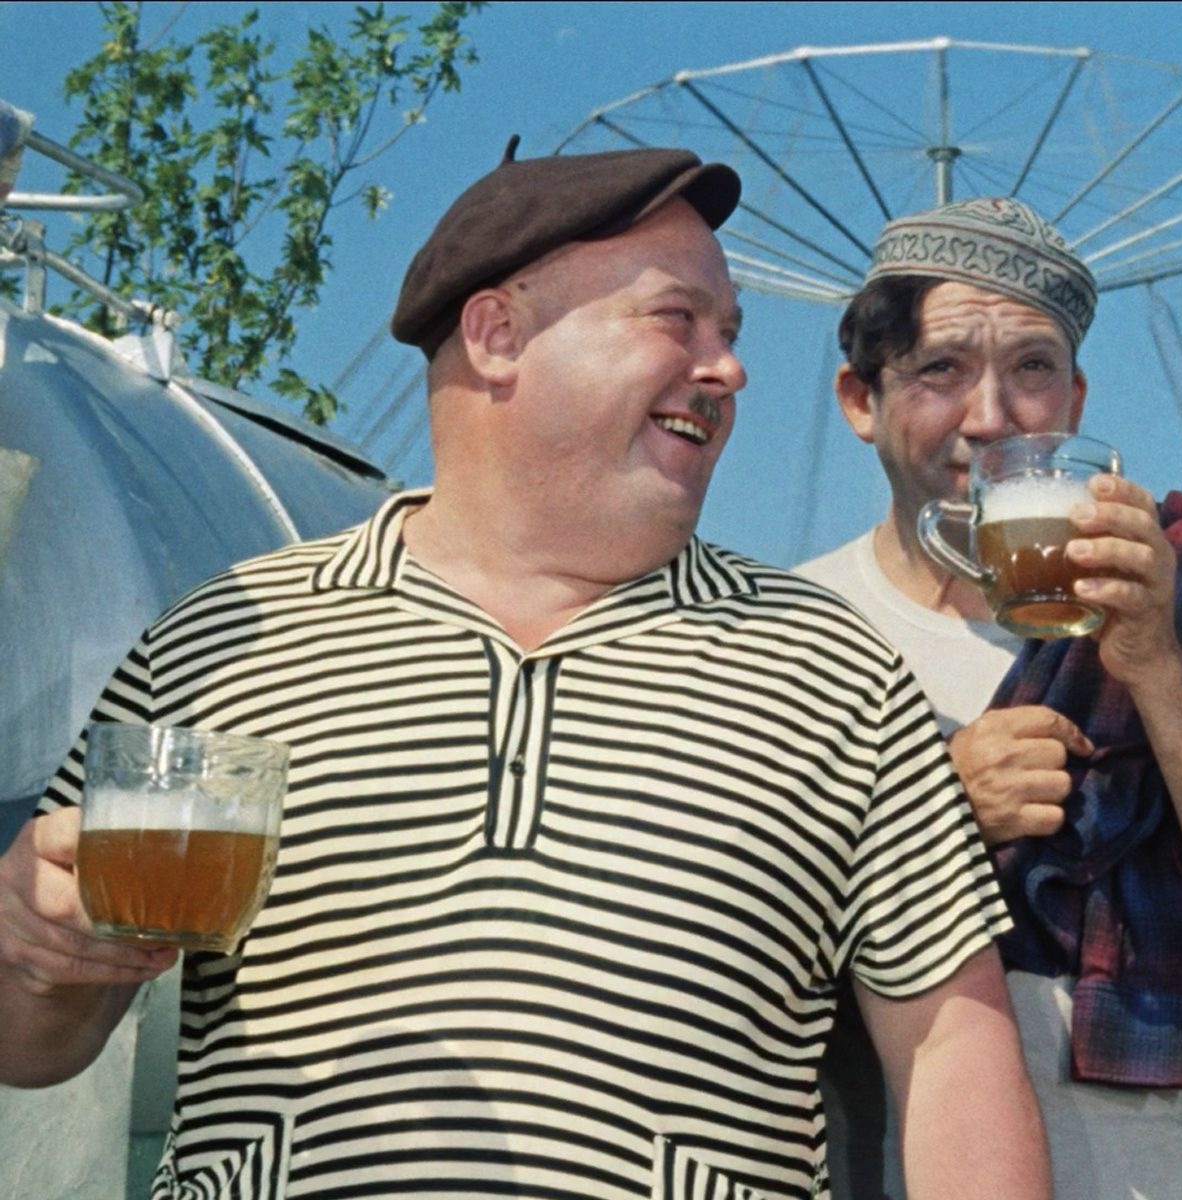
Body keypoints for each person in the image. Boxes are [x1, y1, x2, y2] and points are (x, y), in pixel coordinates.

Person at [0, 145, 1050, 1200]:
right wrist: (35, 950)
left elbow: (953, 1049)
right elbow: (33, 1048)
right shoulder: (226, 639)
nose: (728, 369)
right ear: (498, 335)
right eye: (677, 319)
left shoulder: (830, 666)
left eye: (728, 334)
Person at [795, 196, 1182, 1198]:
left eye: (1032, 368)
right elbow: (701, 952)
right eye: (941, 369)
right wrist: (930, 810)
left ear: (1075, 402)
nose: (991, 416)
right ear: (861, 399)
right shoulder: (788, 633)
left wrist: (1158, 664)